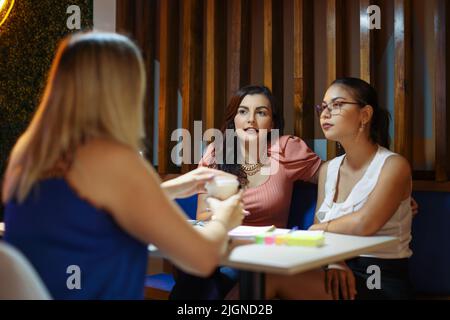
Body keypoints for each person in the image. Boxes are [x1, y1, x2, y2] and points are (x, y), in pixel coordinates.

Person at [2, 32, 244, 300]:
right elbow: (202, 258)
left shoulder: (27, 154)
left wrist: (172, 188)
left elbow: (92, 213)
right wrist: (225, 217)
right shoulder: (113, 158)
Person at [265, 77, 414, 299]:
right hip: (335, 268)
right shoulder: (329, 169)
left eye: (337, 105)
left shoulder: (393, 165)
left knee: (271, 278)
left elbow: (365, 223)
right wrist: (334, 261)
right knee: (262, 273)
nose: (325, 113)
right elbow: (320, 233)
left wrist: (320, 230)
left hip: (378, 279)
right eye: (323, 107)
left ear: (365, 114)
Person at [170, 85, 323, 299]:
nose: (251, 119)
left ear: (272, 123)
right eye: (243, 112)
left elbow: (330, 173)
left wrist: (324, 218)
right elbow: (202, 216)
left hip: (264, 257)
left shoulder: (287, 148)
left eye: (261, 112)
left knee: (206, 282)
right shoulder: (216, 152)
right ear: (234, 119)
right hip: (222, 251)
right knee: (199, 276)